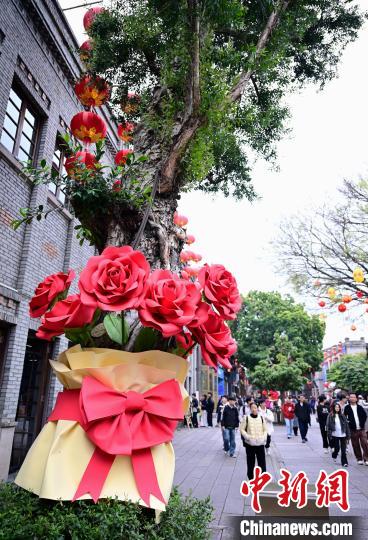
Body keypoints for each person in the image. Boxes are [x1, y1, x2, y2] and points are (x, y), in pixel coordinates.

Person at [240, 402, 268, 479]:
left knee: (262, 461)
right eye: (252, 408)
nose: (254, 409)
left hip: (260, 443)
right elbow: (242, 429)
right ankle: (251, 477)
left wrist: (263, 438)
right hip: (250, 444)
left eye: (255, 407)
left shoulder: (261, 418)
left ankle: (263, 477)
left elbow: (265, 430)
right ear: (250, 409)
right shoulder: (246, 418)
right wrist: (247, 437)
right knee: (250, 462)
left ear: (257, 408)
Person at [344, 392, 368, 465]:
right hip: (353, 429)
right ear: (349, 398)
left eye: (354, 397)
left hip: (361, 428)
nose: (352, 398)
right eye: (351, 397)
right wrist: (349, 423)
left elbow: (364, 416)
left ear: (356, 399)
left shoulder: (360, 407)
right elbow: (344, 417)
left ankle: (366, 458)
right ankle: (359, 459)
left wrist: (362, 423)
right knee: (355, 444)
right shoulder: (347, 407)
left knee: (365, 443)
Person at [326, 402, 350, 467]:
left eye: (338, 407)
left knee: (343, 450)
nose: (337, 408)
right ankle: (334, 455)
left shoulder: (342, 416)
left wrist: (348, 435)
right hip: (335, 435)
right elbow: (328, 425)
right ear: (334, 408)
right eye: (336, 407)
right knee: (337, 448)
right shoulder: (330, 415)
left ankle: (344, 462)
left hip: (343, 435)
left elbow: (346, 426)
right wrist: (329, 434)